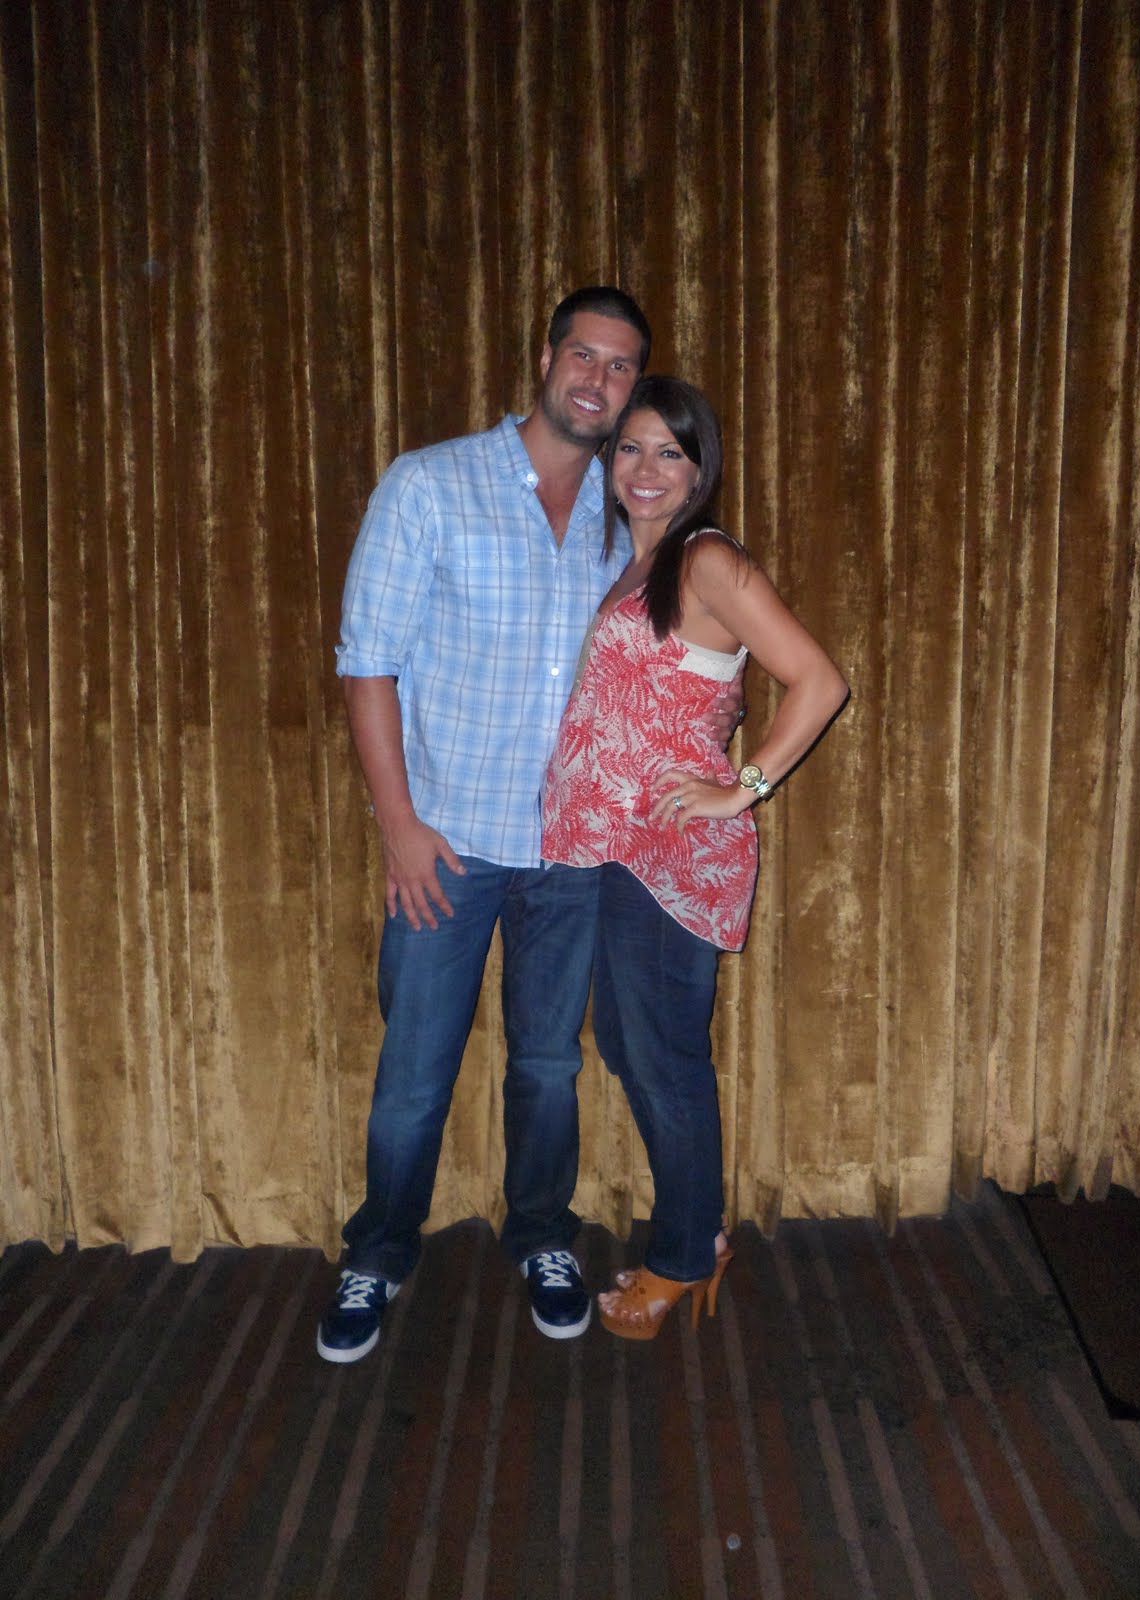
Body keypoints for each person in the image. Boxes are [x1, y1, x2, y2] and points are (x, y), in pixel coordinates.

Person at [318, 290, 738, 1363]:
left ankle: (543, 1235)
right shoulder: (430, 483)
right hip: (448, 844)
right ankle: (378, 1252)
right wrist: (398, 825)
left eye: (620, 365)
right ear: (545, 358)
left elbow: (679, 661)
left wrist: (723, 758)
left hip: (572, 853)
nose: (598, 379)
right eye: (583, 355)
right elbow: (367, 662)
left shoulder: (630, 509)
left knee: (549, 1064)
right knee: (416, 1071)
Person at [542, 375, 848, 1340]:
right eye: (631, 447)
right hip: (612, 846)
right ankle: (692, 1231)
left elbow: (819, 681)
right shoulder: (626, 565)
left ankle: (685, 1253)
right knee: (633, 1044)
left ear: (697, 468)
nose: (646, 468)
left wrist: (741, 787)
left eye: (669, 452)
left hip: (672, 852)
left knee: (662, 1055)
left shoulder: (707, 559)